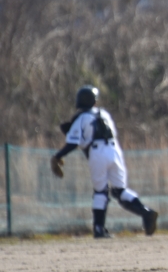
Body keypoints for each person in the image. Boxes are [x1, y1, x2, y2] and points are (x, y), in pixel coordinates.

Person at [51, 85, 159, 238]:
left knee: (100, 191)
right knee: (120, 190)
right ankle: (146, 212)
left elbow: (73, 143)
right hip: (115, 151)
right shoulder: (105, 114)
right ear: (94, 101)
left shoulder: (81, 118)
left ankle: (99, 229)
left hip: (98, 152)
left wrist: (58, 155)